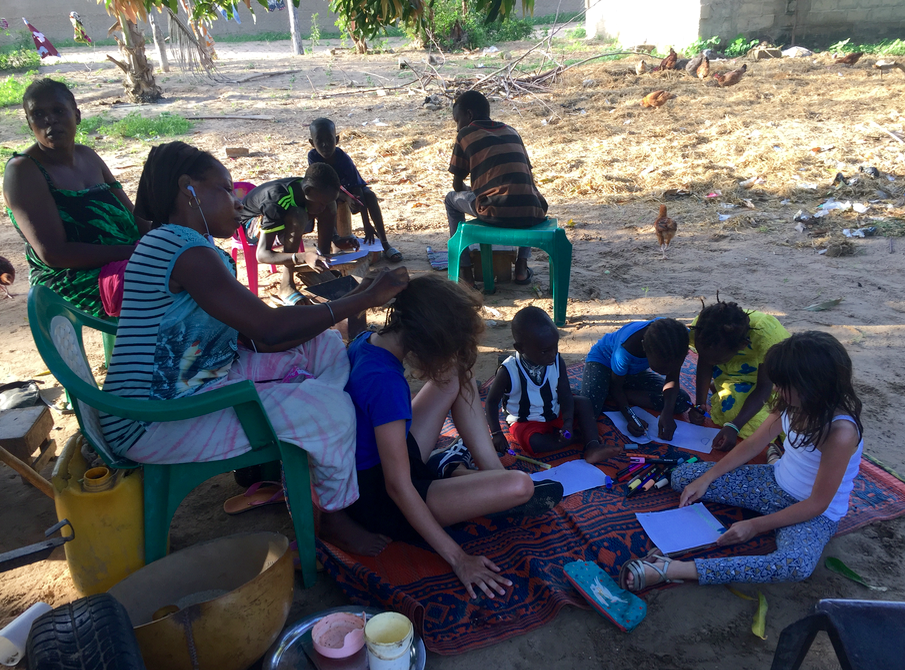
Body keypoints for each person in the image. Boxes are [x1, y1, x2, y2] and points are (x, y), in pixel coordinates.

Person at [100, 141, 407, 529]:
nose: (237, 200)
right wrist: (367, 297)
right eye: (226, 189)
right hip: (150, 420)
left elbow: (255, 336)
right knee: (333, 414)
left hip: (196, 379)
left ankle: (308, 437)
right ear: (187, 189)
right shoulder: (185, 251)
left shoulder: (182, 245)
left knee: (325, 346)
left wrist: (360, 296)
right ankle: (331, 516)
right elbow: (267, 331)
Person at [342, 275, 564, 598]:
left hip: (388, 455)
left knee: (458, 373)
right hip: (383, 500)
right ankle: (485, 483)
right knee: (521, 486)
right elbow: (397, 487)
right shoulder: (385, 383)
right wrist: (459, 559)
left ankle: (489, 476)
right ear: (428, 342)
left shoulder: (368, 341)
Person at [620, 331, 863, 590]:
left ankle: (675, 569)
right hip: (775, 483)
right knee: (685, 479)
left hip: (812, 512)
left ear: (812, 386)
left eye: (785, 385)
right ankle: (772, 466)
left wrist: (755, 526)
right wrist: (706, 478)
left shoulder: (841, 433)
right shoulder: (792, 403)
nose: (778, 390)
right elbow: (752, 444)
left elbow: (817, 503)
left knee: (795, 564)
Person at [3, 78, 149, 318]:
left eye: (58, 111)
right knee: (173, 279)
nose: (50, 120)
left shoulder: (87, 156)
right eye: (38, 114)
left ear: (77, 115)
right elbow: (54, 254)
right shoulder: (23, 170)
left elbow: (137, 218)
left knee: (203, 257)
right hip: (73, 277)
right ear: (30, 124)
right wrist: (137, 253)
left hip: (128, 258)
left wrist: (168, 239)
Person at [485, 306, 620, 464]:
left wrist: (568, 421)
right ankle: (577, 437)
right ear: (521, 348)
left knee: (583, 403)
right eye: (545, 351)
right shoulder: (508, 371)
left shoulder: (556, 361)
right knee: (533, 443)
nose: (553, 354)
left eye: (555, 347)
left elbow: (565, 394)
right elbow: (491, 402)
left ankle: (592, 446)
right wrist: (496, 433)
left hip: (555, 410)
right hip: (526, 420)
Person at [446, 90, 548, 289]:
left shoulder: (465, 134)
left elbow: (457, 186)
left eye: (457, 120)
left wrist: (472, 190)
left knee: (450, 199)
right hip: (534, 210)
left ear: (469, 115)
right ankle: (521, 267)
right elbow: (526, 178)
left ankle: (465, 273)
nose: (457, 126)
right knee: (524, 199)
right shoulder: (512, 131)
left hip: (494, 210)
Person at [238, 164, 360, 306]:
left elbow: (323, 204)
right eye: (320, 203)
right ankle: (286, 285)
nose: (322, 209)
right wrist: (303, 256)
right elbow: (262, 255)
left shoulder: (311, 190)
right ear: (307, 191)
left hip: (280, 218)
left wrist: (336, 239)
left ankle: (323, 260)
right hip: (250, 226)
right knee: (298, 215)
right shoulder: (276, 201)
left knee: (329, 205)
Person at [688, 299, 790, 451]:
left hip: (773, 380)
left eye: (716, 360)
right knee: (737, 411)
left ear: (742, 345)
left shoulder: (767, 335)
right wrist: (699, 404)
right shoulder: (703, 327)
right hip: (733, 376)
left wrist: (734, 426)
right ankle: (722, 390)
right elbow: (704, 363)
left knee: (775, 426)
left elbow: (764, 386)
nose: (710, 362)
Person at [308, 117, 403, 263]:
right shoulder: (313, 157)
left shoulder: (343, 158)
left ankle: (385, 244)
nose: (325, 145)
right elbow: (320, 185)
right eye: (319, 141)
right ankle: (333, 246)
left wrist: (367, 224)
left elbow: (357, 189)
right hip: (329, 192)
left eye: (329, 139)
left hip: (350, 190)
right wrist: (345, 197)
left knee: (369, 195)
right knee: (327, 202)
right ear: (312, 143)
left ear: (337, 139)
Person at [581, 318, 692, 441]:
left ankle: (607, 393)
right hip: (603, 363)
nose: (666, 373)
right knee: (587, 410)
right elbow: (616, 386)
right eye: (660, 369)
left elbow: (672, 379)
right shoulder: (626, 349)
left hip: (630, 372)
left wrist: (667, 412)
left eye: (671, 368)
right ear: (644, 348)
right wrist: (630, 417)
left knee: (681, 400)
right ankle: (606, 391)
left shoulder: (678, 340)